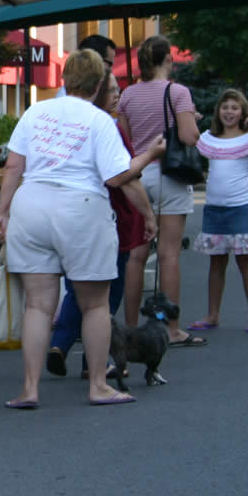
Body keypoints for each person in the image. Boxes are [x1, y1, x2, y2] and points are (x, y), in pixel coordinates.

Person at [0, 49, 165, 408]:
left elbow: (13, 167)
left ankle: (30, 389)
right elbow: (119, 176)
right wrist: (149, 160)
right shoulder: (100, 121)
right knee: (94, 305)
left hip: (32, 205)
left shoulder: (35, 111)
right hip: (81, 209)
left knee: (38, 306)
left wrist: (3, 211)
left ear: (64, 78)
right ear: (99, 83)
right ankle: (99, 385)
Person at [46, 71, 157, 378]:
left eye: (118, 89)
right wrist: (151, 156)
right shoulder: (108, 127)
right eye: (111, 91)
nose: (117, 95)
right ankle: (92, 363)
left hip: (70, 215)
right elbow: (125, 175)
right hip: (113, 216)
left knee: (76, 288)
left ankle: (61, 343)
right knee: (107, 294)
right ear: (97, 94)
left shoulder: (68, 127)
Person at [118, 35, 205, 346]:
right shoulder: (178, 92)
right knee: (168, 255)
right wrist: (193, 121)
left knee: (136, 256)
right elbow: (189, 137)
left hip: (138, 176)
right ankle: (170, 328)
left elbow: (125, 140)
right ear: (168, 59)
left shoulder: (127, 94)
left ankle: (129, 327)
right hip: (170, 174)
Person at [191, 89, 248, 332]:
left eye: (234, 107)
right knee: (216, 263)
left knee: (246, 261)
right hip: (214, 209)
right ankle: (212, 315)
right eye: (225, 107)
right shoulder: (209, 137)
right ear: (218, 111)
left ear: (243, 112)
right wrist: (191, 122)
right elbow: (189, 143)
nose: (229, 112)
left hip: (240, 208)